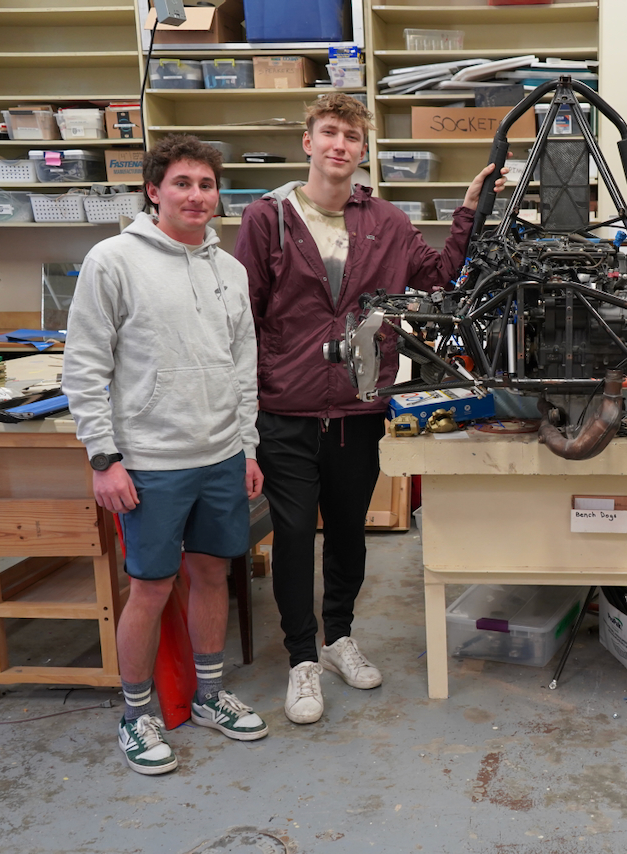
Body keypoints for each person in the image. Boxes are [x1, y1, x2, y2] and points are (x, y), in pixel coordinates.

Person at [234, 93, 505, 725]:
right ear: (308, 141)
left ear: (363, 149)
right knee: (296, 534)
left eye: (352, 136)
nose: (339, 145)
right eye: (329, 132)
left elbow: (438, 277)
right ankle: (303, 659)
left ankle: (339, 638)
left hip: (359, 408)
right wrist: (245, 417)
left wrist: (467, 212)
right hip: (288, 409)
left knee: (349, 531)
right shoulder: (265, 218)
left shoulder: (385, 220)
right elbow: (242, 318)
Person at [63, 135, 267, 775]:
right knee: (150, 587)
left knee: (211, 575)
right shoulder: (113, 261)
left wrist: (247, 446)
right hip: (149, 460)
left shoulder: (228, 269)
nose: (196, 196)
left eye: (207, 185)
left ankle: (208, 697)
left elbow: (243, 369)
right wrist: (104, 458)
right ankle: (136, 713)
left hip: (220, 455)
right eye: (183, 183)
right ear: (154, 190)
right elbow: (85, 363)